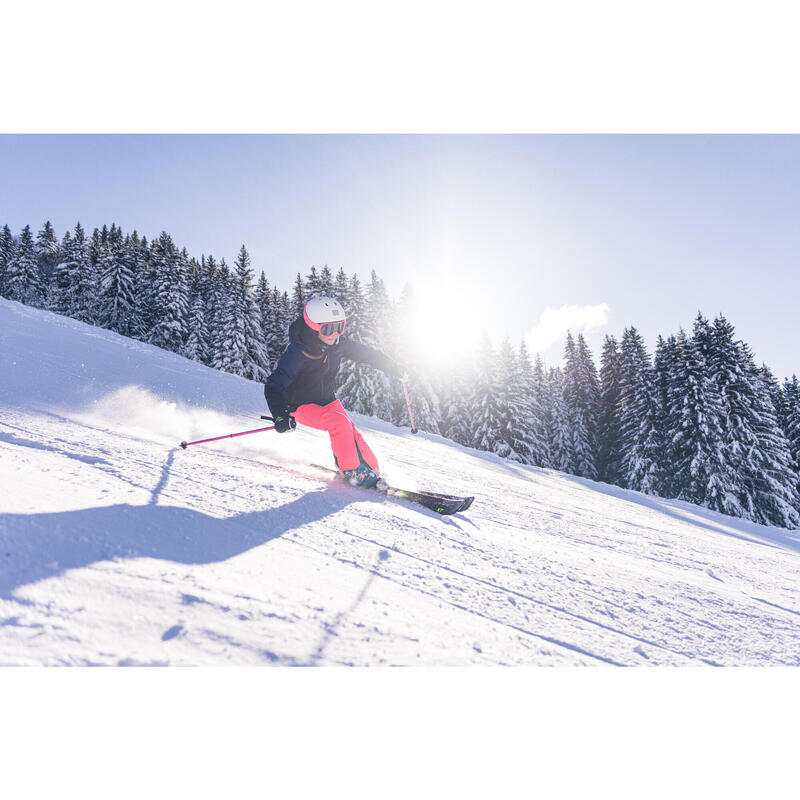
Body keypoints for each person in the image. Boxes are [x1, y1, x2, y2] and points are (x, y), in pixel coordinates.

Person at [265, 295, 405, 487]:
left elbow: (367, 354)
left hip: (325, 399)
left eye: (340, 326)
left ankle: (369, 470)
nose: (335, 334)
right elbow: (273, 386)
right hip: (298, 404)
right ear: (314, 328)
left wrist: (393, 367)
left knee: (352, 434)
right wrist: (280, 415)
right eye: (328, 329)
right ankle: (351, 471)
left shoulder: (338, 344)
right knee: (339, 423)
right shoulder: (298, 352)